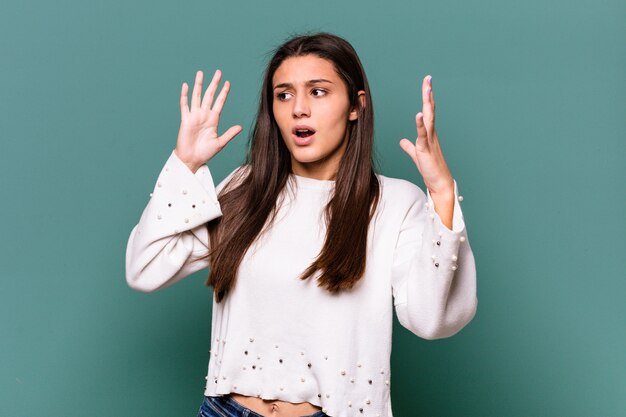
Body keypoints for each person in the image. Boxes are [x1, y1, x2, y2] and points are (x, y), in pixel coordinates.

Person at [125, 32, 477, 417]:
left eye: (318, 91)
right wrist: (185, 165)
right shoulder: (244, 189)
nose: (298, 110)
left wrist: (442, 194)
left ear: (356, 106)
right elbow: (144, 270)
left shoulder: (394, 203)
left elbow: (433, 321)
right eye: (284, 94)